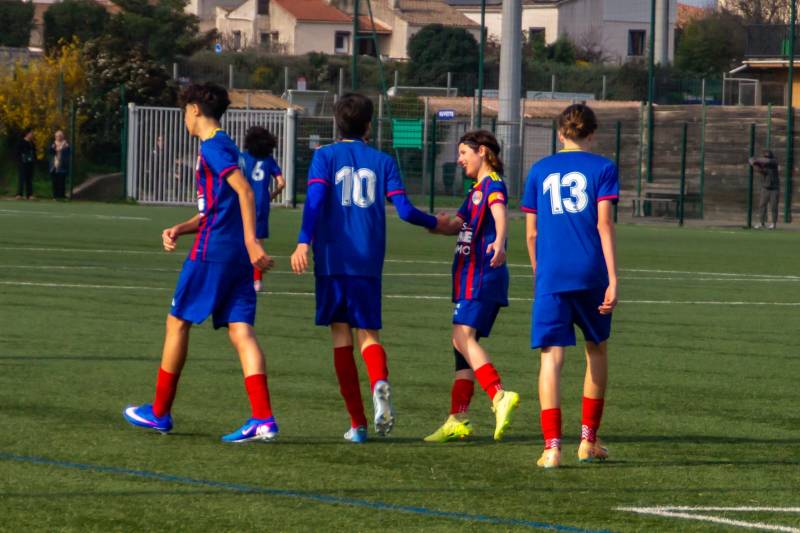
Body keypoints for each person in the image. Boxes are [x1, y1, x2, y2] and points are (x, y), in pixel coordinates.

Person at [123, 82, 280, 443]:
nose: (184, 118)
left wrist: (252, 241)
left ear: (194, 109)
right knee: (241, 330)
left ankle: (159, 413)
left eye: (184, 111)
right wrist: (181, 228)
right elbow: (217, 209)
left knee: (177, 321)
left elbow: (244, 191)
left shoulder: (212, 147)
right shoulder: (230, 148)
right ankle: (263, 418)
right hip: (235, 255)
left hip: (214, 252)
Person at [290, 93, 442, 443]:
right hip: (367, 261)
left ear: (337, 123)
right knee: (369, 335)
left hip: (332, 259)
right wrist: (436, 222)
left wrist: (303, 241)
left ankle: (357, 425)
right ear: (369, 126)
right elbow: (405, 211)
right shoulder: (383, 161)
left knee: (340, 336)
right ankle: (379, 382)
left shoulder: (324, 157)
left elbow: (315, 200)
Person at [521, 103, 619, 468]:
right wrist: (613, 278)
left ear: (560, 133)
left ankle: (551, 448)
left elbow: (531, 233)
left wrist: (540, 273)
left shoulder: (539, 169)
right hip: (591, 272)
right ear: (592, 134)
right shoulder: (604, 168)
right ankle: (587, 441)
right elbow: (604, 225)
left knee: (551, 357)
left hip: (552, 274)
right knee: (596, 349)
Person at [423, 130, 520, 444]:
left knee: (461, 337)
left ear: (482, 152)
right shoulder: (476, 190)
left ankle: (499, 395)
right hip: (469, 277)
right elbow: (457, 224)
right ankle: (457, 418)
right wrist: (431, 223)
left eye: (463, 153)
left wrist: (500, 242)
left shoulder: (492, 184)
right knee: (462, 345)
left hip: (481, 275)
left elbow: (500, 212)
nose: (459, 159)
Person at [240, 126, 285, 291]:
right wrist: (270, 196)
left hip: (244, 204)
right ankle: (257, 281)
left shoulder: (242, 157)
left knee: (241, 240)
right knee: (257, 242)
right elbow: (282, 183)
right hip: (261, 205)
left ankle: (240, 277)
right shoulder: (269, 160)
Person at [748, 150, 780, 229]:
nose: (766, 158)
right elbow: (758, 168)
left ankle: (773, 224)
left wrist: (755, 160)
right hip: (765, 188)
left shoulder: (774, 162)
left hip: (774, 189)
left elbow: (766, 161)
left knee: (774, 206)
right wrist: (754, 164)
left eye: (767, 157)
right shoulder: (764, 166)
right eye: (765, 156)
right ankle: (762, 223)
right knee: (762, 205)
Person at [49, 130, 70, 200]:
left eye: (60, 136)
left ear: (62, 136)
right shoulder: (53, 144)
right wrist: (54, 148)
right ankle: (55, 196)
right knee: (55, 181)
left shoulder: (66, 144)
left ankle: (62, 196)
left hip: (62, 165)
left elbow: (68, 153)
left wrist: (63, 148)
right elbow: (51, 152)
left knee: (62, 181)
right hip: (54, 165)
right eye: (57, 136)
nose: (59, 137)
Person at [16, 129, 36, 199]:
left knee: (29, 179)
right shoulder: (21, 142)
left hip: (30, 163)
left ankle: (29, 195)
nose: (32, 135)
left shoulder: (32, 143)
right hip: (22, 163)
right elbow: (17, 152)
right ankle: (19, 194)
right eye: (31, 133)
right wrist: (21, 159)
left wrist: (33, 159)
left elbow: (34, 152)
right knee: (22, 178)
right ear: (27, 134)